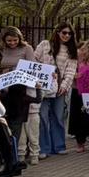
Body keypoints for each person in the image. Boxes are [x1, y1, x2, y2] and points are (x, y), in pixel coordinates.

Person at [0, 27, 40, 166]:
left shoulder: (27, 49)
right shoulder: (2, 49)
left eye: (15, 40)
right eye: (9, 41)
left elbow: (32, 67)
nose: (12, 43)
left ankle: (32, 153)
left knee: (26, 123)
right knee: (11, 122)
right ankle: (15, 153)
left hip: (22, 90)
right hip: (6, 90)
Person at [35, 24, 78, 159]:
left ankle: (59, 146)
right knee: (42, 117)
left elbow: (71, 71)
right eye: (64, 32)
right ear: (58, 32)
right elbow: (34, 61)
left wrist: (64, 86)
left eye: (69, 34)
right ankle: (43, 148)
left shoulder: (71, 50)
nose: (66, 36)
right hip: (43, 86)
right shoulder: (44, 45)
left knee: (58, 117)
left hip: (59, 87)